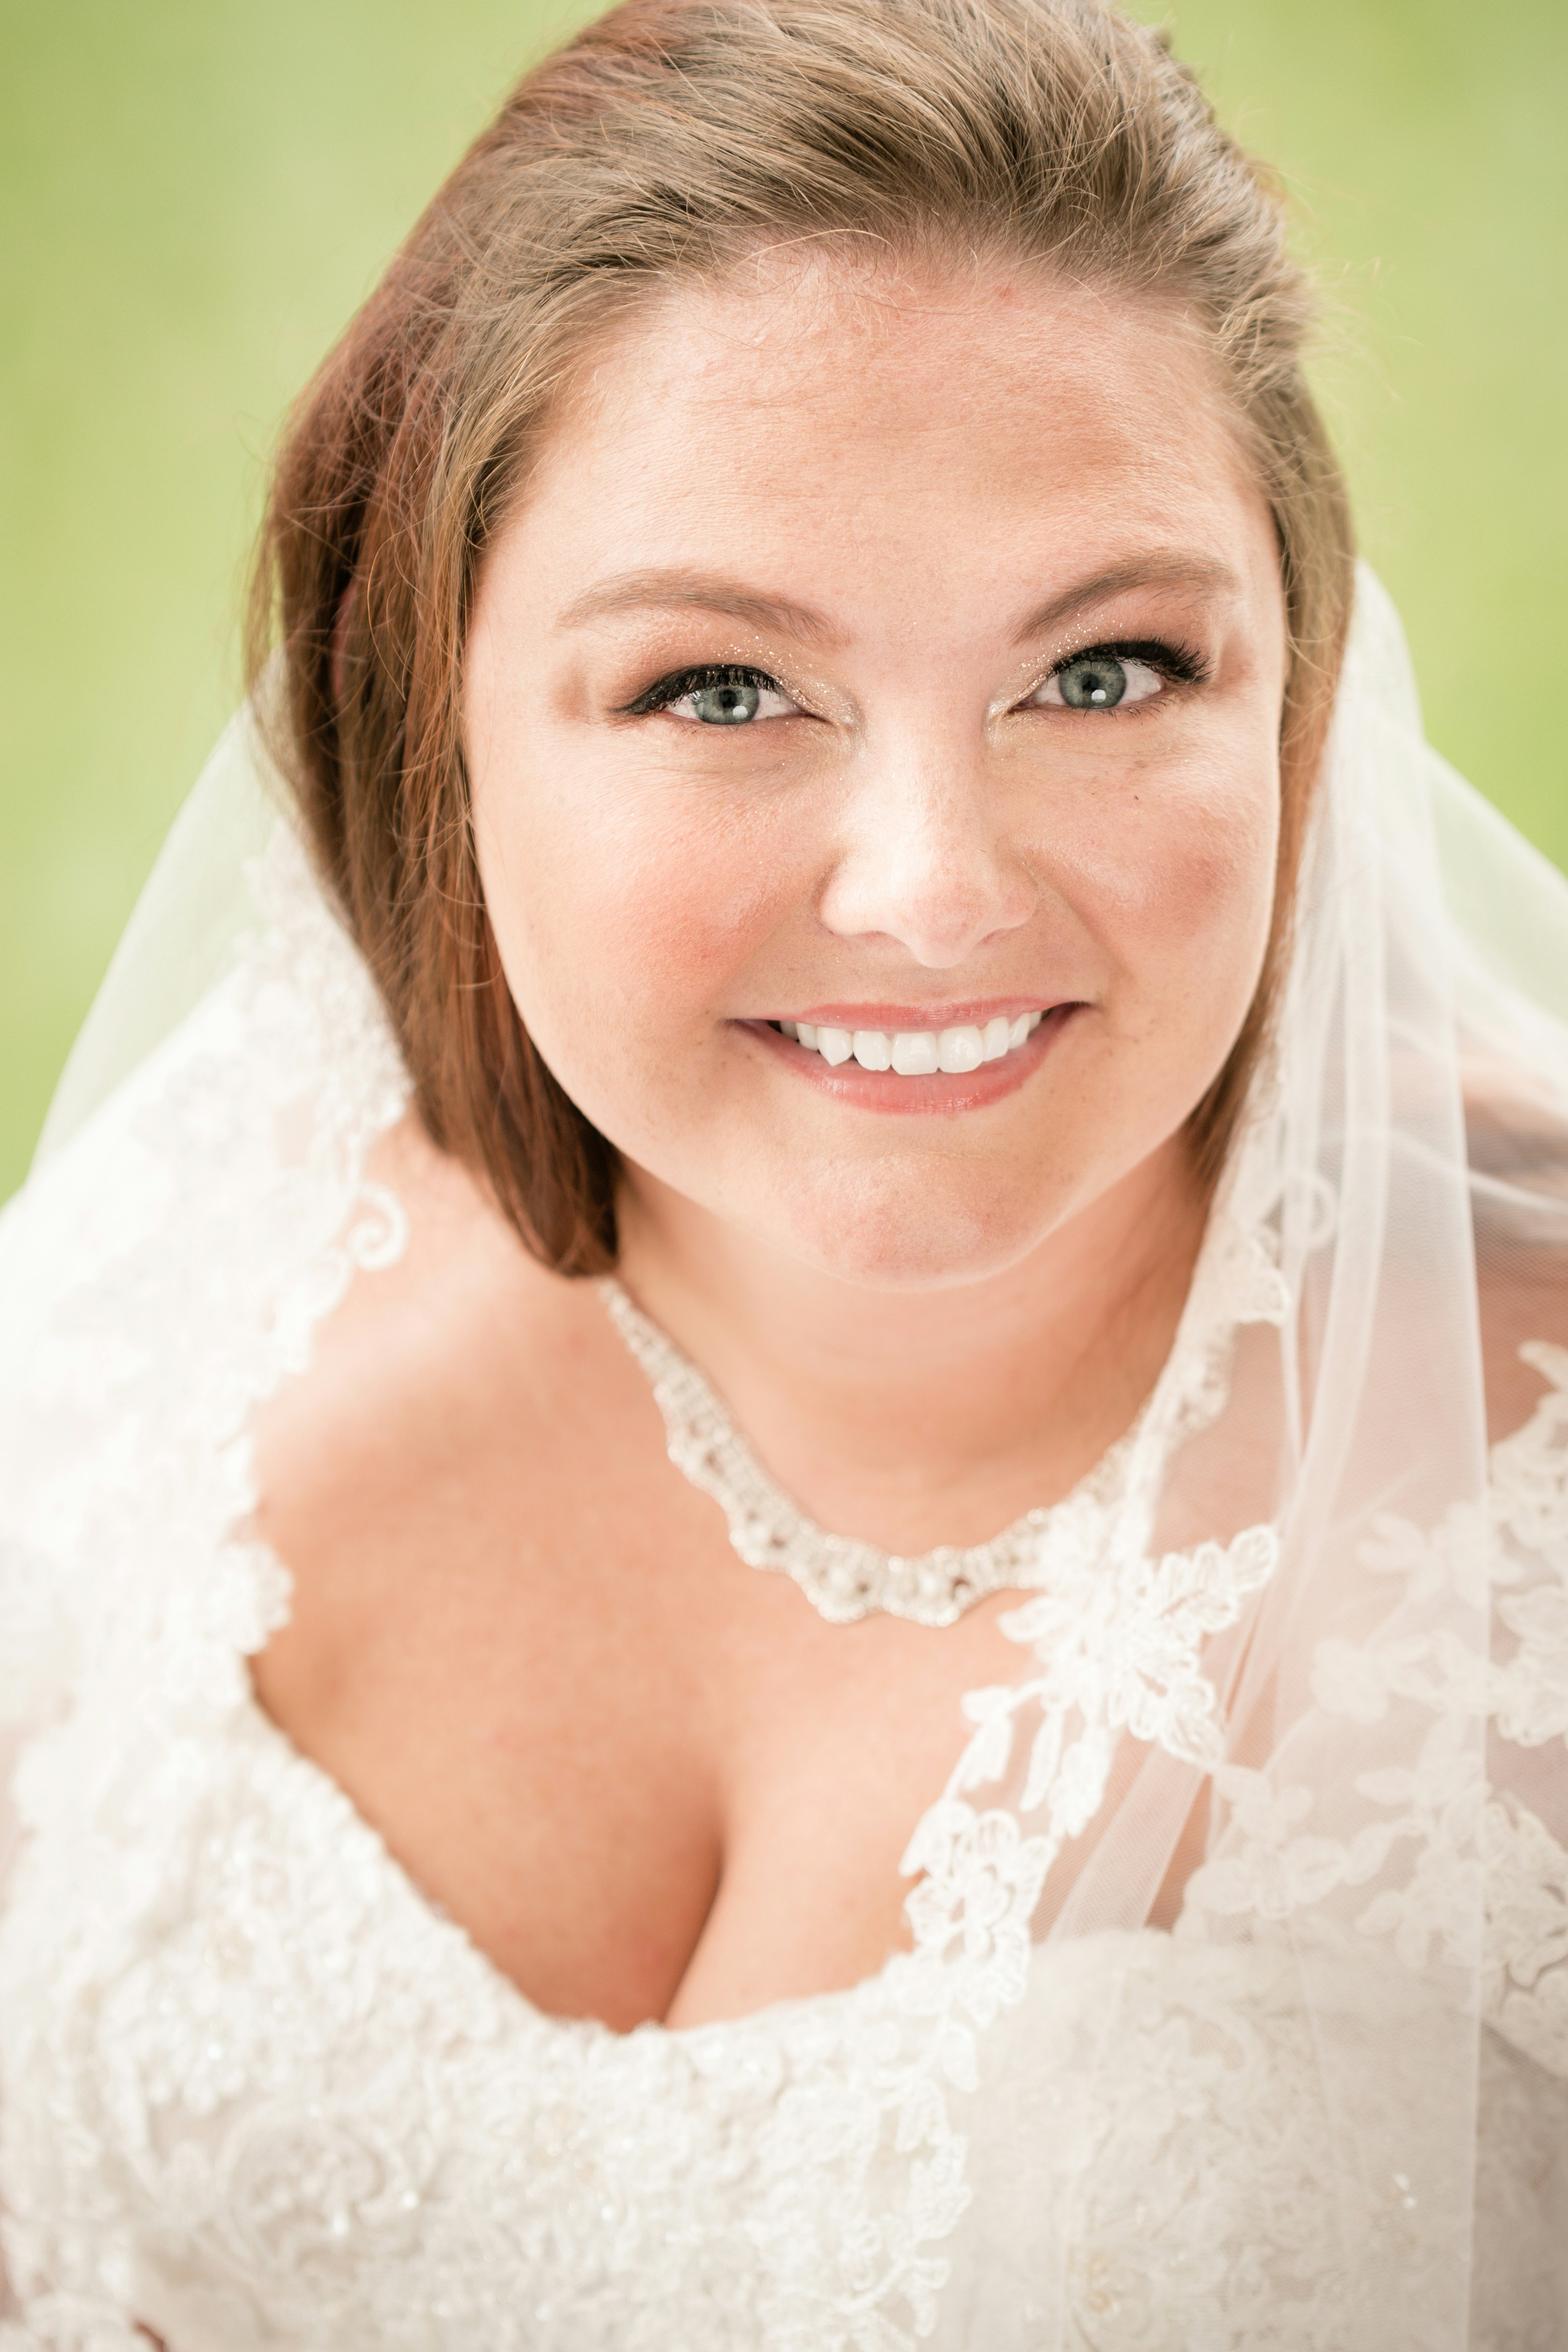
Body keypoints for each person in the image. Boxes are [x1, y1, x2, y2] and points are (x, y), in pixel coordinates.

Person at [1, 0, 1565, 2342]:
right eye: (723, 691)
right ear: (428, 720)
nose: (934, 890)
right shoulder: (152, 1337)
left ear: (1301, 699)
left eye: (1112, 668)